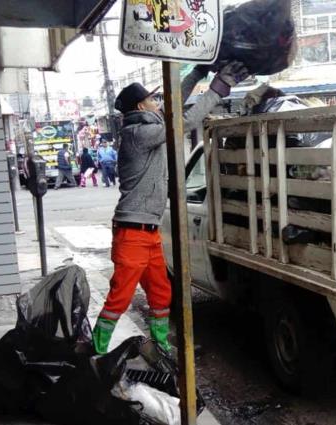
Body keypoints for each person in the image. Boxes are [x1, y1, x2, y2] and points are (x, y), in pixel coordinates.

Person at [93, 61, 249, 354]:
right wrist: (219, 88)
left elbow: (172, 106)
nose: (157, 102)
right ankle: (96, 352)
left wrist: (199, 73)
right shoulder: (138, 134)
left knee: (162, 294)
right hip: (132, 233)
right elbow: (185, 122)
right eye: (152, 99)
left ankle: (161, 347)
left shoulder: (149, 126)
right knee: (119, 299)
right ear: (141, 106)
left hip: (148, 233)